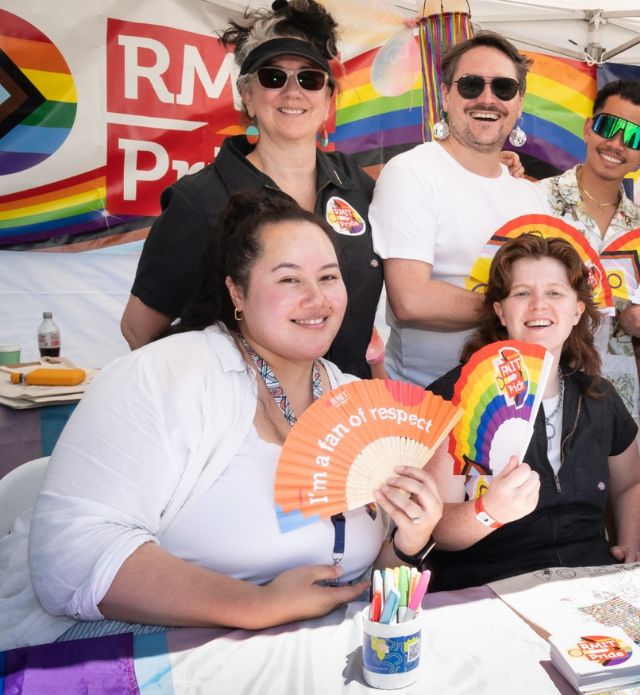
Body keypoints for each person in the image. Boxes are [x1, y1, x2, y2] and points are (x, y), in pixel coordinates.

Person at [0, 191, 442, 650]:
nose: (317, 299)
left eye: (329, 277)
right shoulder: (165, 376)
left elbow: (367, 579)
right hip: (160, 649)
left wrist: (409, 542)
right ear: (237, 291)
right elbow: (69, 556)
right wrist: (256, 604)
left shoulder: (357, 400)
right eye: (289, 279)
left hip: (324, 655)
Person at [121, 0, 382, 378]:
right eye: (273, 78)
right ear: (248, 96)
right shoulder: (200, 200)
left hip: (345, 416)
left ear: (328, 98)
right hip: (247, 424)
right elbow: (138, 330)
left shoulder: (357, 184)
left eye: (309, 78)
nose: (293, 92)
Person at [424, 234, 640, 590]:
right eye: (521, 293)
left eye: (554, 293)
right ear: (500, 311)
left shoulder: (599, 396)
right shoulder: (455, 397)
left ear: (577, 311)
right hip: (487, 590)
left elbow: (633, 484)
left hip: (592, 584)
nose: (538, 306)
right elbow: (436, 528)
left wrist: (632, 545)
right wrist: (488, 512)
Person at [369, 31, 545, 387]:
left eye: (503, 88)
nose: (487, 98)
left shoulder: (532, 198)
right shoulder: (412, 173)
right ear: (446, 95)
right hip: (427, 402)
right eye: (470, 85)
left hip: (513, 396)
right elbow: (411, 299)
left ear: (519, 102)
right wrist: (517, 308)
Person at [539, 79, 640, 464]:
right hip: (542, 391)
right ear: (587, 127)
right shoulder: (535, 201)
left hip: (619, 397)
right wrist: (616, 316)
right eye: (607, 126)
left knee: (621, 502)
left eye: (632, 136)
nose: (616, 144)